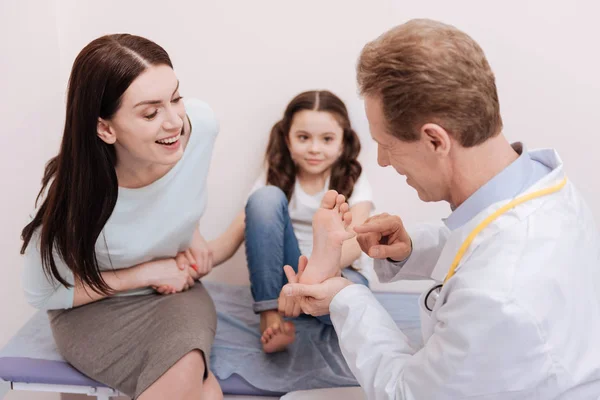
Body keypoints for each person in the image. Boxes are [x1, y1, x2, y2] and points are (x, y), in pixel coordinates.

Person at [282, 19, 600, 399]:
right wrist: (411, 247)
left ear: (435, 140)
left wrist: (345, 299)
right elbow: (482, 239)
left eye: (387, 143)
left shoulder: (498, 293)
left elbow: (405, 393)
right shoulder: (541, 185)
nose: (382, 161)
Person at [20, 34, 223, 399]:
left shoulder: (201, 127)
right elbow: (42, 293)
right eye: (151, 112)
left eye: (176, 98)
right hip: (92, 310)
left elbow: (180, 193)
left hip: (173, 294)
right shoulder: (70, 196)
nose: (174, 121)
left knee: (189, 363)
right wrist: (143, 273)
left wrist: (190, 231)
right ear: (105, 128)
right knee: (204, 389)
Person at [210, 90, 374, 353]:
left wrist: (311, 276)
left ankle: (307, 296)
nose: (314, 148)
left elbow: (356, 241)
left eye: (327, 139)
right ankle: (270, 316)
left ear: (342, 143)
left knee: (349, 295)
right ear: (287, 139)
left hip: (336, 274)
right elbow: (238, 230)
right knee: (264, 199)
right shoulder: (276, 173)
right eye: (303, 138)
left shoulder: (353, 176)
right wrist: (195, 262)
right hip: (290, 275)